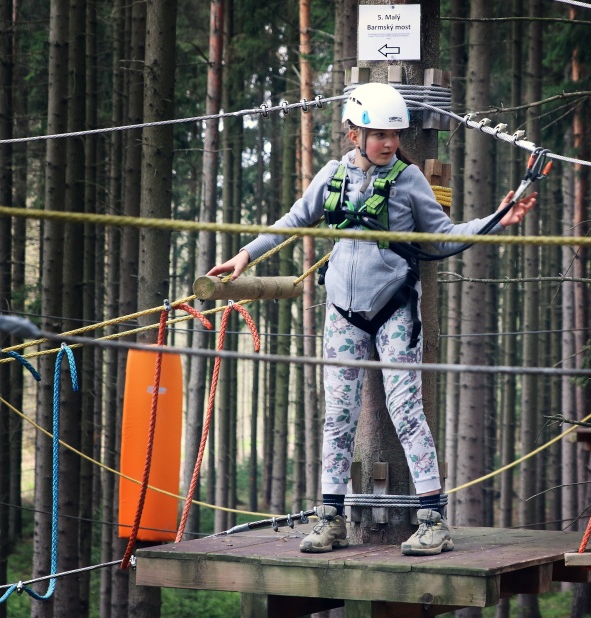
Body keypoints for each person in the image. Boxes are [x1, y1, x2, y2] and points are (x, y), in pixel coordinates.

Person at [208, 83, 536, 555]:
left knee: (407, 412)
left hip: (394, 311)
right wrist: (244, 256)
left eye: (394, 135)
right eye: (378, 134)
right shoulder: (331, 176)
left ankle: (432, 520)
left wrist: (497, 221)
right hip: (343, 313)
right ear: (352, 134)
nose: (389, 143)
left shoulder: (410, 180)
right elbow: (292, 221)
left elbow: (442, 238)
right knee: (337, 418)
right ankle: (330, 519)